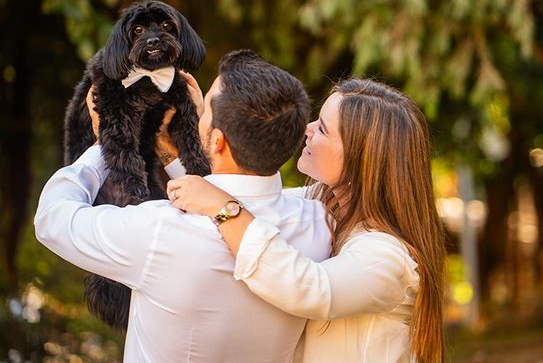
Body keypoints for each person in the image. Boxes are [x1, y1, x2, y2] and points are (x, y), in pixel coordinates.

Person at [34, 50, 332, 362]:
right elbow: (227, 199)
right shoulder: (317, 223)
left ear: (217, 141)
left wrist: (105, 141)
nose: (197, 112)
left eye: (203, 112)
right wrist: (173, 157)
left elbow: (52, 219)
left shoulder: (161, 232)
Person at [166, 78, 447, 363]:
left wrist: (222, 206)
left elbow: (311, 289)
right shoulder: (325, 201)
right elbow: (252, 206)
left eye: (322, 128)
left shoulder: (388, 257)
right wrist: (204, 130)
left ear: (361, 160)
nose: (307, 129)